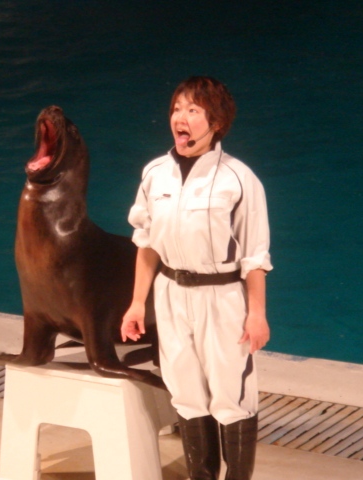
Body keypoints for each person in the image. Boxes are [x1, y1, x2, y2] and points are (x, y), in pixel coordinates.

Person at [121, 76, 272, 480]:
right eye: (177, 109)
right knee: (186, 393)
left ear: (216, 123)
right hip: (170, 294)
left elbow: (255, 257)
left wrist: (256, 314)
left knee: (232, 396)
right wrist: (137, 303)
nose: (180, 118)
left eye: (192, 110)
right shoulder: (155, 173)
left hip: (222, 298)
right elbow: (147, 243)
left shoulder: (238, 179)